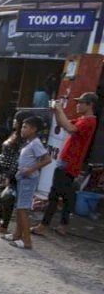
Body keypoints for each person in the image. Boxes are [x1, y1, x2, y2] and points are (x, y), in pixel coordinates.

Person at [31, 92, 99, 236]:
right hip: (68, 162)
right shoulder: (83, 119)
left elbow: (70, 128)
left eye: (81, 103)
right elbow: (63, 124)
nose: (78, 105)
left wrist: (60, 109)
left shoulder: (89, 121)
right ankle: (63, 226)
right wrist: (56, 110)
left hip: (69, 163)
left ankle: (44, 225)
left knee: (54, 195)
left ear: (90, 105)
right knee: (67, 196)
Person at [1, 116, 51, 249]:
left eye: (25, 127)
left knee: (23, 209)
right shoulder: (28, 142)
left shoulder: (36, 143)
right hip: (22, 178)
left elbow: (47, 159)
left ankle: (27, 241)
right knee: (19, 208)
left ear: (34, 129)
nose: (22, 129)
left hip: (28, 180)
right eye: (22, 126)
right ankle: (17, 235)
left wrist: (31, 169)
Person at [0, 110, 34, 233]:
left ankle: (3, 225)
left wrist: (9, 175)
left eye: (16, 120)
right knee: (1, 195)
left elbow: (17, 159)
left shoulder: (23, 140)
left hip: (11, 173)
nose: (13, 122)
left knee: (7, 199)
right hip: (4, 170)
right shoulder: (14, 135)